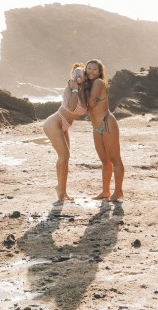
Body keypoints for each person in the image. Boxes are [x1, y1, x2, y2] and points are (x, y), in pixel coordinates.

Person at [42, 62, 88, 201]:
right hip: (54, 122)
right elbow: (72, 107)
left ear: (85, 76)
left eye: (81, 74)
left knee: (66, 158)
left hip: (65, 125)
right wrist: (74, 89)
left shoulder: (85, 91)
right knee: (64, 156)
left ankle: (62, 189)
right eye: (75, 74)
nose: (78, 76)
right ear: (72, 76)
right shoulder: (69, 89)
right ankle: (60, 191)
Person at [85, 59, 124, 202]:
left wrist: (78, 87)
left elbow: (91, 103)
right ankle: (105, 191)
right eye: (88, 68)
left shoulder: (98, 83)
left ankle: (118, 191)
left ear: (100, 72)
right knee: (104, 161)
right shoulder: (89, 84)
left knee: (115, 159)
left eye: (94, 69)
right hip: (96, 127)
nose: (91, 72)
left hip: (107, 123)